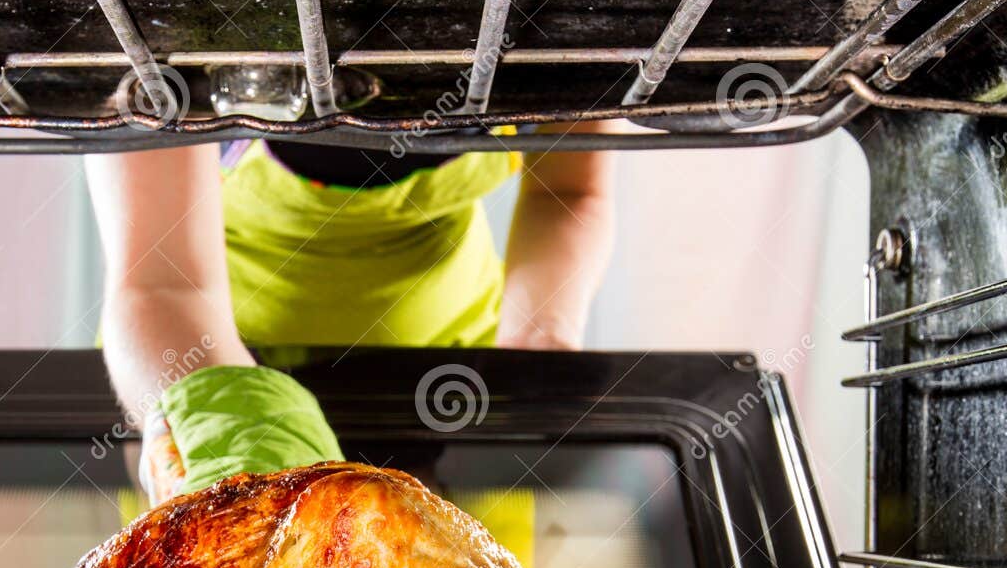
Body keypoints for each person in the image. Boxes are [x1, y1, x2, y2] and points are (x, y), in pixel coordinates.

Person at [84, 126, 615, 504]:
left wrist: (536, 349)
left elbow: (569, 192)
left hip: (456, 369)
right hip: (201, 365)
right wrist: (243, 471)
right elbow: (160, 285)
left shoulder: (543, 8)